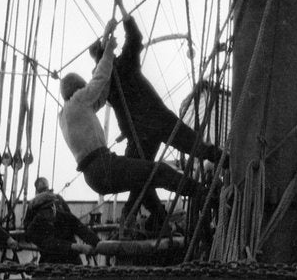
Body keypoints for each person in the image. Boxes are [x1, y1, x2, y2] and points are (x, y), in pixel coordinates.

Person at [94, 0, 224, 222]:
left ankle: (140, 217)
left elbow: (132, 39)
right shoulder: (115, 71)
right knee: (191, 148)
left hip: (142, 130)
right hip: (151, 124)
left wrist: (111, 28)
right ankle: (160, 216)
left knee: (142, 175)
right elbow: (134, 37)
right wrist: (120, 10)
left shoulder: (109, 76)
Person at [60, 23, 202, 231]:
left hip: (94, 175)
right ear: (78, 89)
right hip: (103, 166)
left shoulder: (66, 114)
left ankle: (150, 218)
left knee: (143, 180)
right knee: (158, 172)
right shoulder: (79, 100)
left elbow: (100, 94)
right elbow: (98, 81)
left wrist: (106, 57)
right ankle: (206, 195)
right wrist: (108, 49)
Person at [25, 192, 100, 263]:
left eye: (52, 205)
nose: (52, 209)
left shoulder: (66, 217)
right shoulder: (33, 228)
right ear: (39, 213)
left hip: (72, 261)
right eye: (47, 208)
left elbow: (84, 231)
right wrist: (78, 247)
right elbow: (51, 244)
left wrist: (99, 245)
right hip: (49, 263)